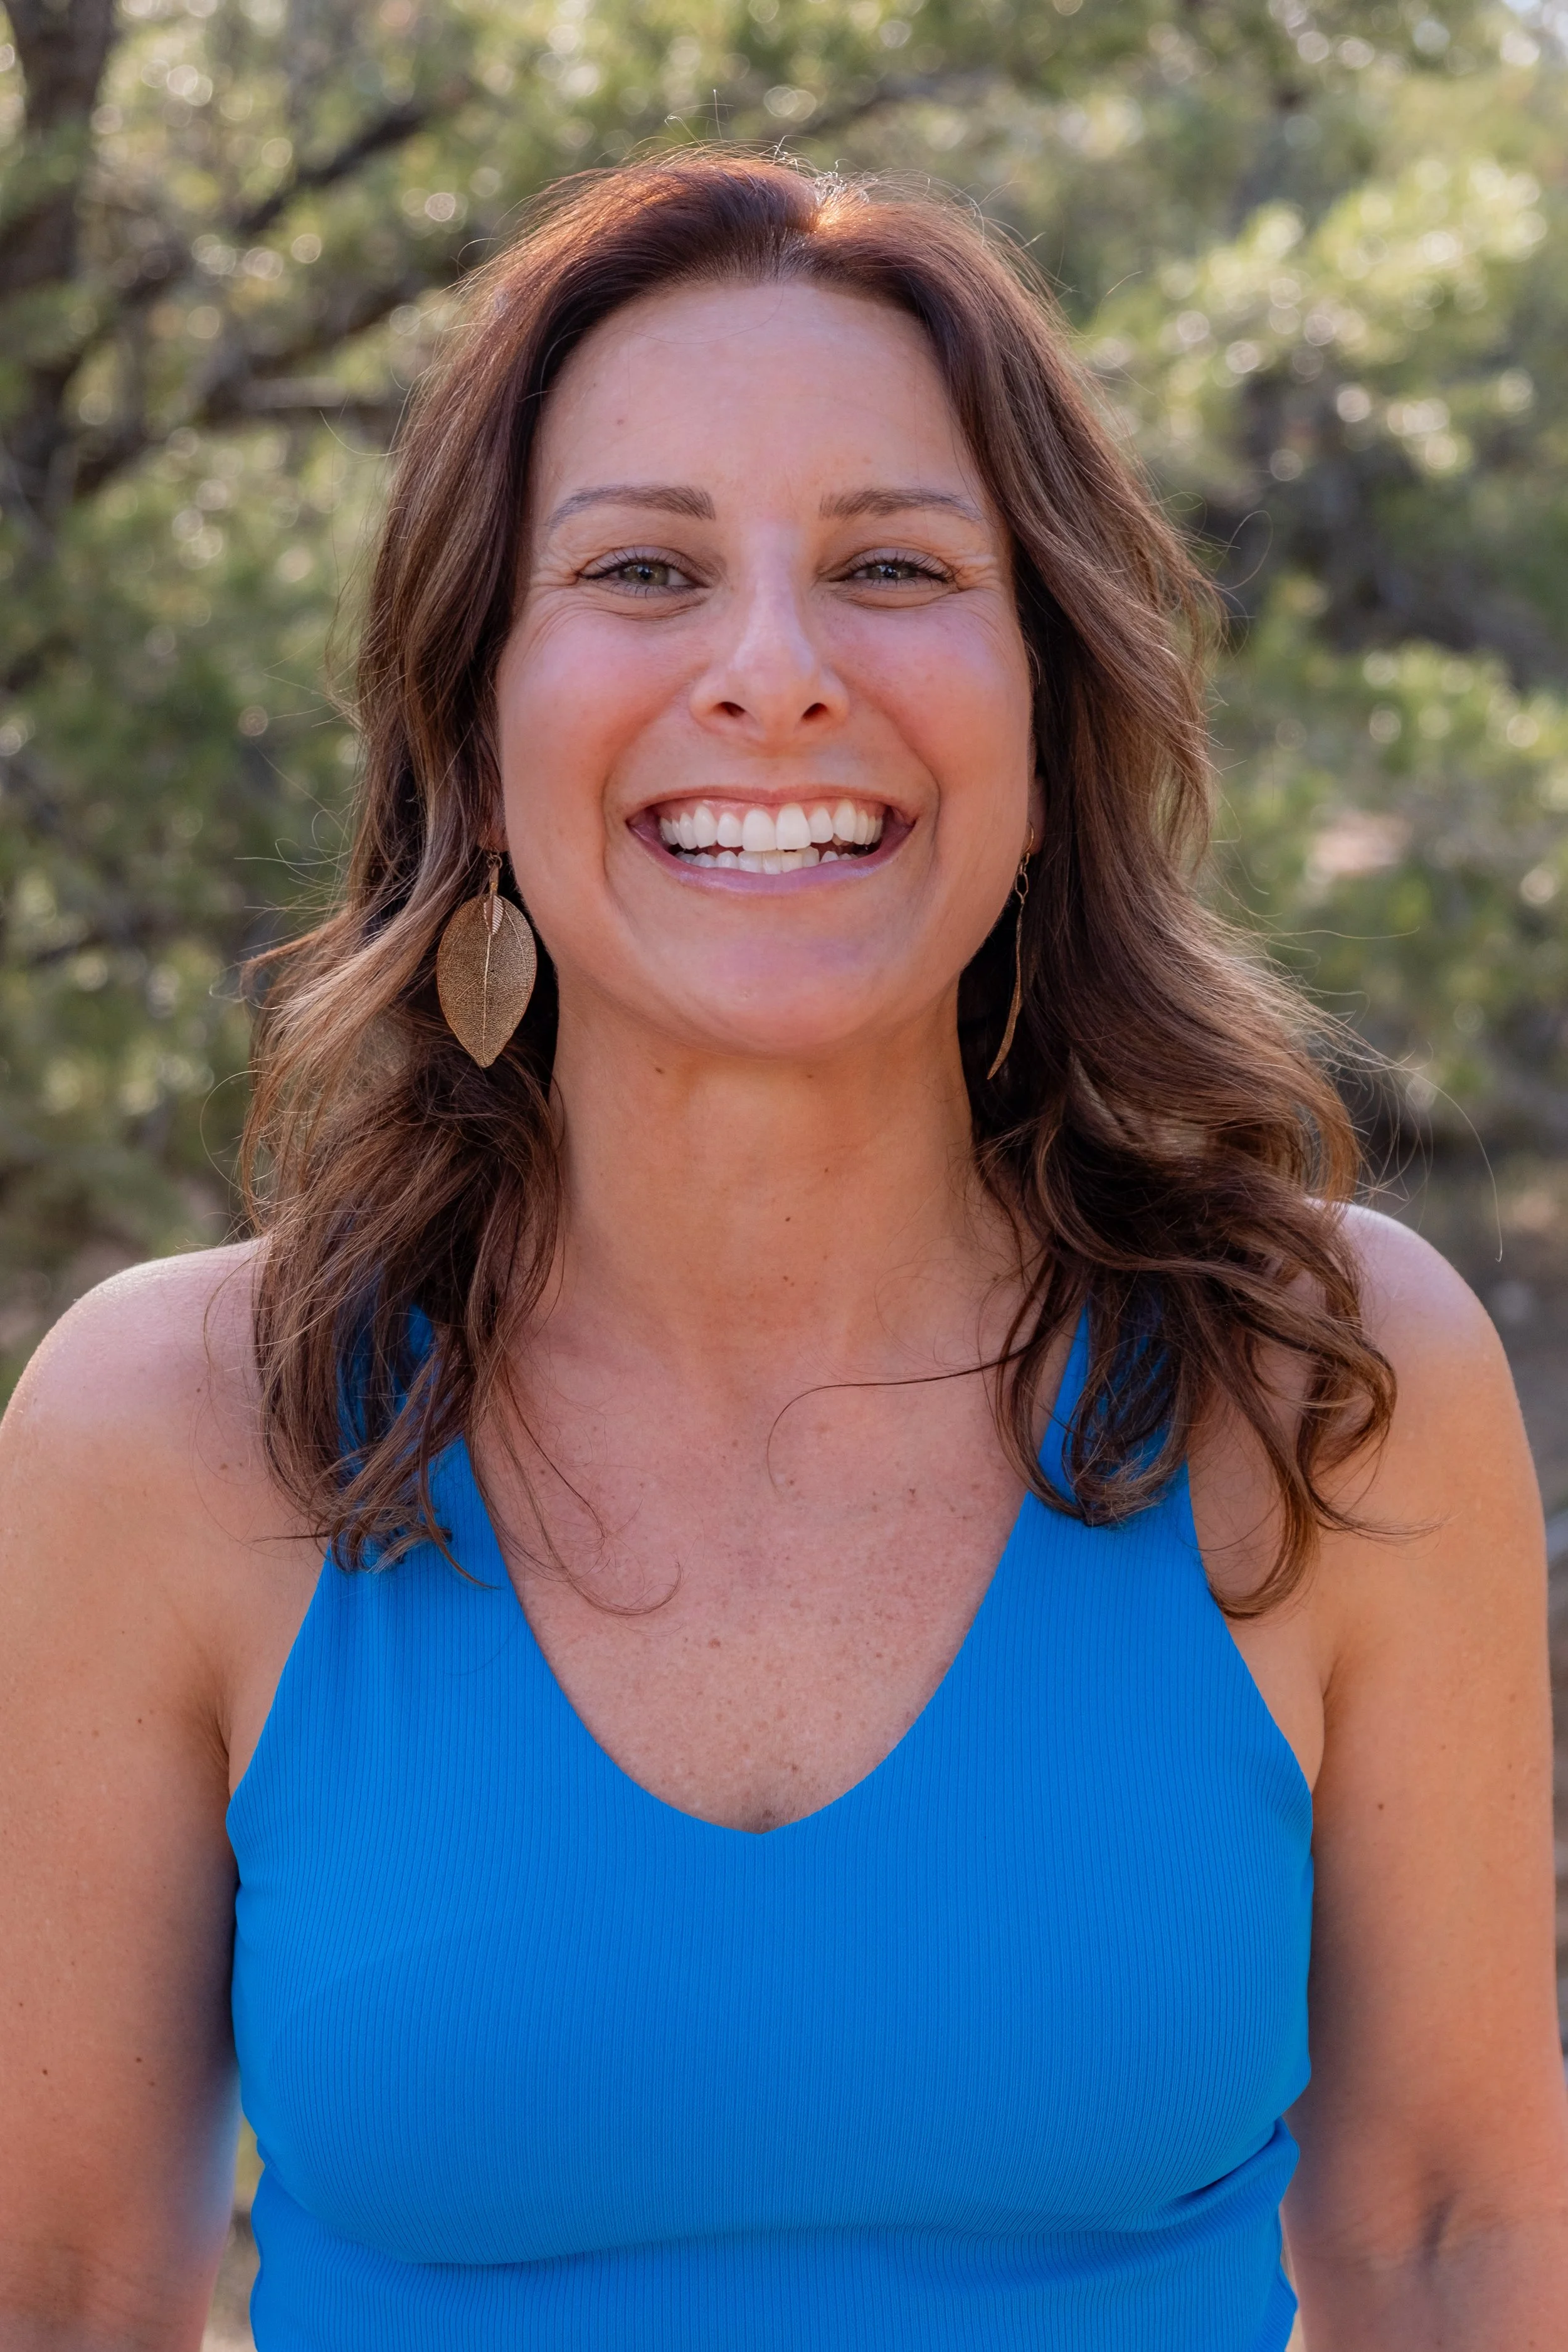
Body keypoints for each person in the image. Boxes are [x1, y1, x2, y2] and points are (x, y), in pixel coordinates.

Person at [1, 149, 1564, 2352]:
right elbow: (65, 2296)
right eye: (643, 566)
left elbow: (1445, 2244)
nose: (772, 671)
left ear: (1043, 716)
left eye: (892, 566)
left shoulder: (1322, 1379)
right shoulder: (165, 1433)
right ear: (473, 717)